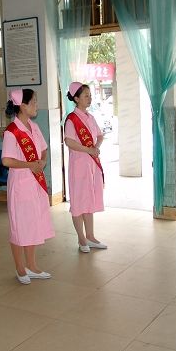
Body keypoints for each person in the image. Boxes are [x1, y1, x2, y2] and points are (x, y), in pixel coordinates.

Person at [1, 88, 54, 285]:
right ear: (23, 106)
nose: (36, 105)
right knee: (19, 227)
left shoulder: (34, 127)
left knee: (32, 224)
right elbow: (6, 160)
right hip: (20, 184)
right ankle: (20, 268)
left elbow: (43, 149)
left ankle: (32, 266)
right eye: (34, 102)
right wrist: (29, 165)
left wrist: (42, 161)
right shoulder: (12, 132)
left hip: (35, 181)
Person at [64, 82, 107, 253]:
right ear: (76, 98)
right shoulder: (72, 119)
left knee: (89, 198)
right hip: (79, 165)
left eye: (90, 95)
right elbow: (69, 141)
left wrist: (95, 147)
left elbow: (100, 135)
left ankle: (91, 236)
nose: (89, 98)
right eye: (86, 96)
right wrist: (89, 150)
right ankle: (81, 239)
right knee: (78, 201)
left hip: (91, 164)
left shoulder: (90, 117)